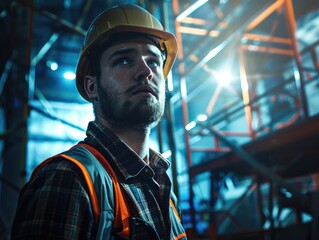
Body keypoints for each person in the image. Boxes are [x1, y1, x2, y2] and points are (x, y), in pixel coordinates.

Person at [11, 4, 187, 240]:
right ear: (92, 86)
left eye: (154, 61)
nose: (145, 71)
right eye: (124, 60)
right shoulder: (69, 178)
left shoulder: (163, 186)